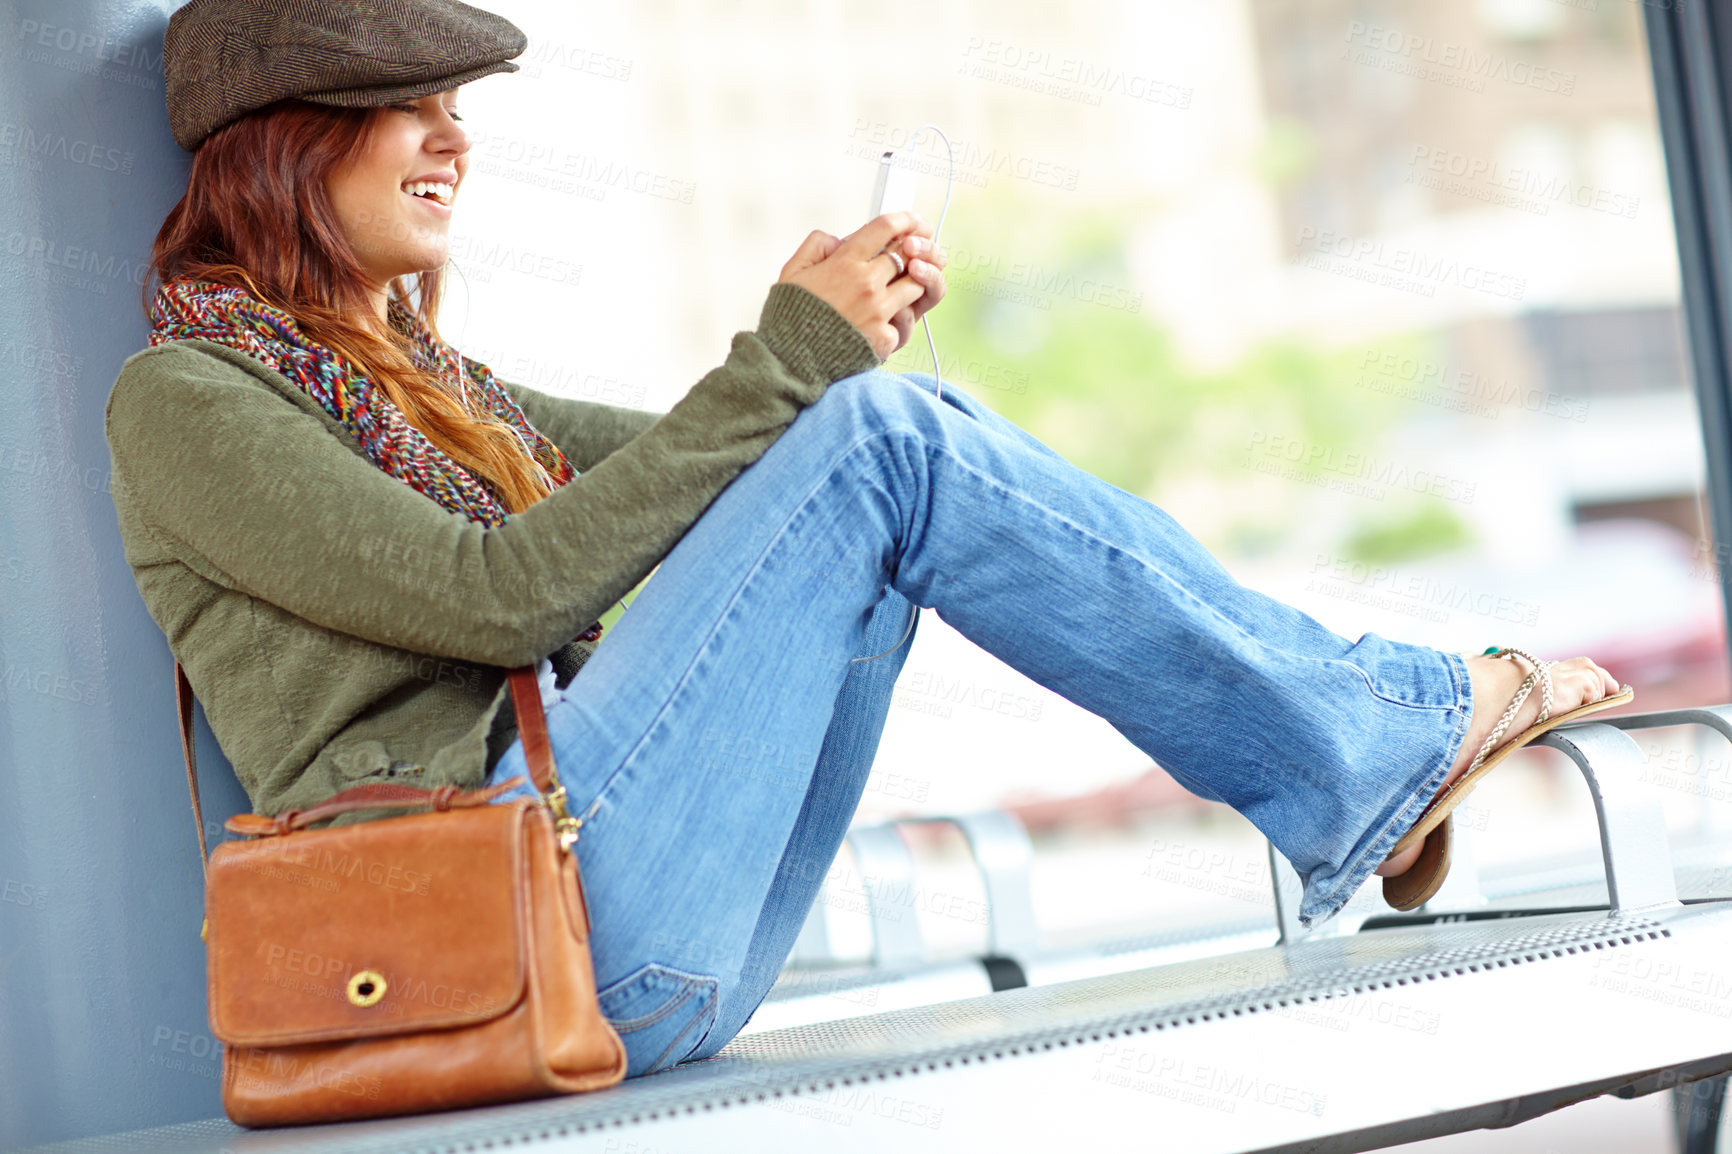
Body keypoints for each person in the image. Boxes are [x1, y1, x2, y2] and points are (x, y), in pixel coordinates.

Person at [107, 0, 1629, 1081]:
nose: (453, 137)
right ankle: (1373, 745)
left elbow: (726, 469)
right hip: (503, 925)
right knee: (878, 445)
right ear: (287, 141)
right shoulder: (183, 401)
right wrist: (796, 365)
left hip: (605, 920)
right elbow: (502, 597)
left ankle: (1361, 750)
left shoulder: (438, 390)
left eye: (460, 107)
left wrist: (824, 333)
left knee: (882, 437)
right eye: (414, 101)